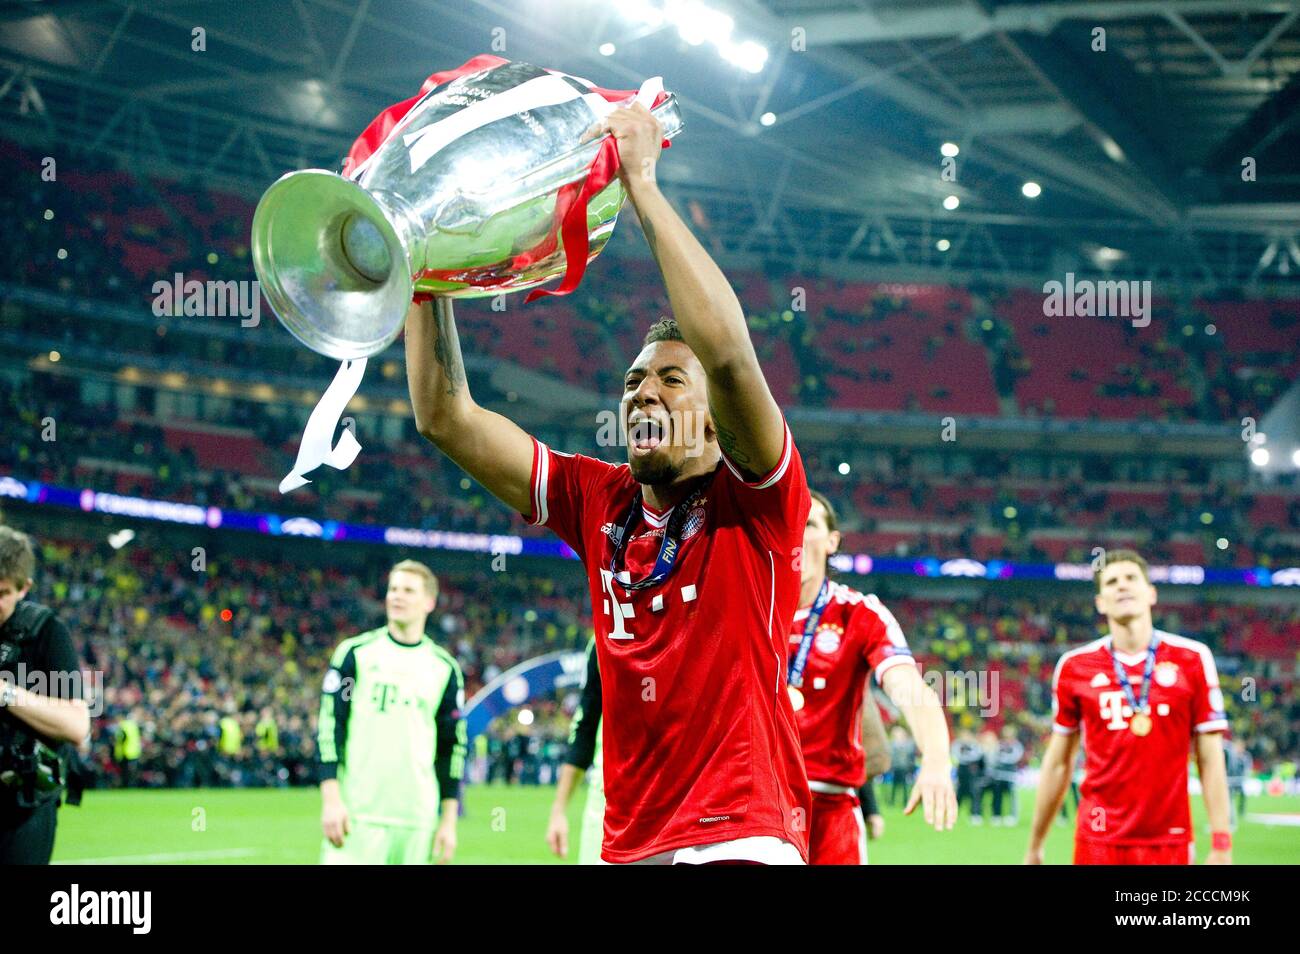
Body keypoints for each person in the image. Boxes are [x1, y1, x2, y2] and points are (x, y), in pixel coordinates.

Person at [407, 101, 812, 864]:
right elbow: (446, 418)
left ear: (713, 414)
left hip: (743, 834)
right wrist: (425, 273)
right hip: (628, 845)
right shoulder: (596, 498)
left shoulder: (756, 498)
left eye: (668, 379)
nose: (643, 394)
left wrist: (644, 184)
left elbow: (727, 357)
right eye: (632, 382)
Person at [1025, 550, 1233, 865]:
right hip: (1097, 835)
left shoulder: (1193, 659)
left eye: (1131, 578)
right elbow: (1058, 763)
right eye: (1111, 582)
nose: (1122, 586)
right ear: (1100, 602)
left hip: (1168, 838)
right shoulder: (1073, 667)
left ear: (1151, 593)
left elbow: (1210, 757)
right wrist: (1034, 846)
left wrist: (1221, 843)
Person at [789, 490, 956, 864]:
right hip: (754, 808)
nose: (797, 533)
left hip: (831, 809)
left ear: (832, 541)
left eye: (810, 524)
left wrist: (935, 759)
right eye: (789, 521)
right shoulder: (746, 605)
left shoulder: (861, 614)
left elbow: (909, 688)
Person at [318, 560, 466, 865]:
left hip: (417, 820)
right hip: (358, 816)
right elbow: (330, 727)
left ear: (429, 602)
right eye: (393, 589)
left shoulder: (445, 669)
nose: (397, 596)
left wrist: (448, 820)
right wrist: (331, 800)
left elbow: (452, 749)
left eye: (408, 590)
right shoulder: (354, 654)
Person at [0, 525, 91, 864]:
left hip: (21, 809)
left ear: (25, 588)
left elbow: (77, 724)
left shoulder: (46, 633)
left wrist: (5, 692)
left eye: (2, 593)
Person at [546, 638, 604, 864]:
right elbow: (585, 728)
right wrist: (558, 811)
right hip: (607, 800)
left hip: (680, 804)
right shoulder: (603, 636)